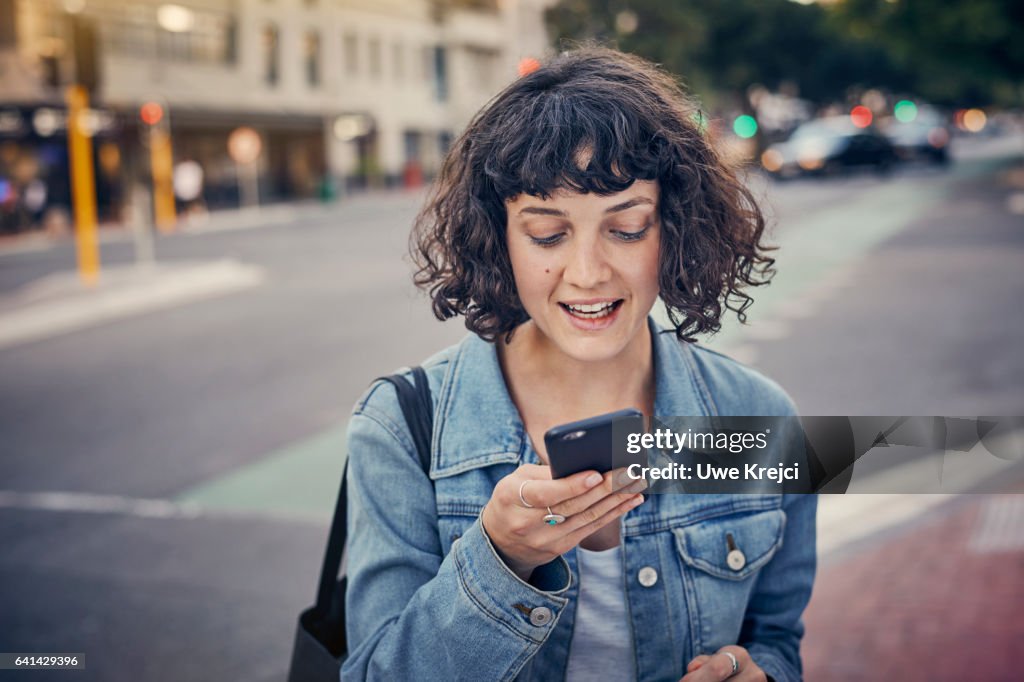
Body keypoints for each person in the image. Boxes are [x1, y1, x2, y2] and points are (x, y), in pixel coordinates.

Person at [340, 47, 816, 682]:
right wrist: (501, 558)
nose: (588, 274)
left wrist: (755, 671)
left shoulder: (756, 416)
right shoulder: (401, 427)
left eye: (626, 228)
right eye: (547, 235)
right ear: (497, 237)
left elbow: (778, 641)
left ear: (674, 229)